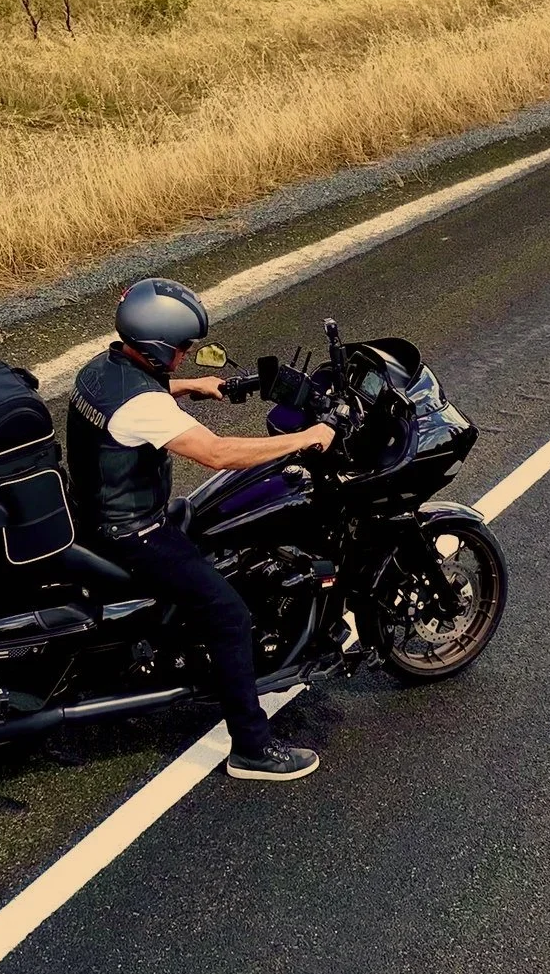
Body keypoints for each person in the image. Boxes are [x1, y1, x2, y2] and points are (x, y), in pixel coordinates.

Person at [66, 277, 335, 781]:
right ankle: (252, 750)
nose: (187, 357)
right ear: (158, 347)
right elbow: (217, 453)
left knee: (212, 537)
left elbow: (138, 398)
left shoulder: (100, 369)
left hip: (96, 510)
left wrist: (193, 387)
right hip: (132, 531)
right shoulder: (143, 406)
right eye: (182, 350)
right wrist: (307, 438)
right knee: (230, 615)